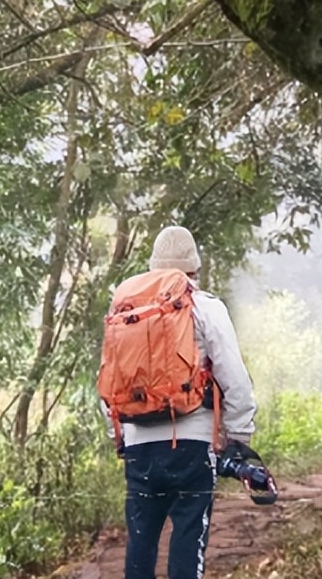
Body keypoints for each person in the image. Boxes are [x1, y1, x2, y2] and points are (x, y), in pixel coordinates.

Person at [113, 225, 257, 579]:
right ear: (195, 269)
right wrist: (239, 436)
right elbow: (234, 377)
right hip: (192, 445)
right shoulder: (205, 306)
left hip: (138, 444)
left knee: (141, 542)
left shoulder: (125, 310)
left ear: (152, 267)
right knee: (188, 538)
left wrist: (118, 437)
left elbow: (110, 379)